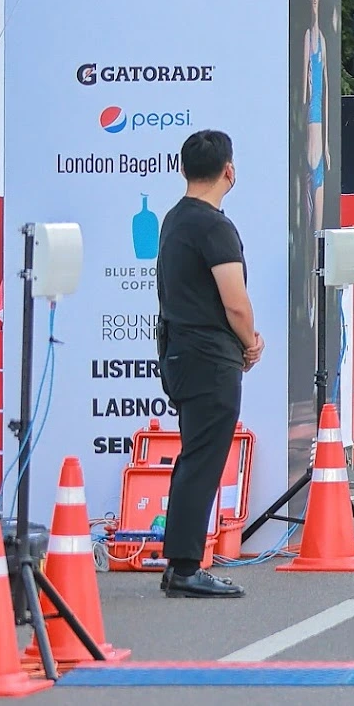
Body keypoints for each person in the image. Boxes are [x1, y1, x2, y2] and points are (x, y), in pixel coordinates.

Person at [154, 131, 261, 599]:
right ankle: (184, 567)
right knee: (203, 460)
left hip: (180, 351)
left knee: (193, 456)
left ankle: (179, 560)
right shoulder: (215, 227)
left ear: (183, 169)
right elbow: (234, 300)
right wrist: (251, 342)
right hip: (209, 357)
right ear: (228, 171)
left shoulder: (174, 219)